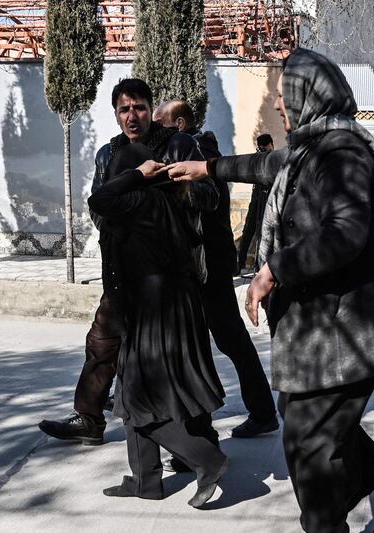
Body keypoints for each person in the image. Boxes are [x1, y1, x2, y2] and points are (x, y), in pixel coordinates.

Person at [164, 48, 374, 533]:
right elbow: (268, 166)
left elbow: (345, 232)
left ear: (310, 94)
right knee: (308, 418)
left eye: (287, 93)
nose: (281, 105)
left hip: (357, 325)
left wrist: (273, 269)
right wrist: (208, 168)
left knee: (310, 447)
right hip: (329, 326)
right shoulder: (314, 149)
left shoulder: (343, 153)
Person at [38, 79, 218, 446]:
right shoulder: (108, 154)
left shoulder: (180, 144)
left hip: (171, 272)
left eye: (138, 107)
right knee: (101, 342)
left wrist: (175, 187)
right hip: (123, 268)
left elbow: (210, 197)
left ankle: (199, 438)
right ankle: (89, 418)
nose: (131, 116)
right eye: (124, 109)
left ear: (151, 110)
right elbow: (99, 205)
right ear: (116, 114)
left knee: (179, 356)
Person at [89, 142, 228, 508]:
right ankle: (145, 479)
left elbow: (98, 201)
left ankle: (206, 460)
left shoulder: (139, 200)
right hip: (171, 305)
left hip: (155, 308)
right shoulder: (171, 199)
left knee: (134, 399)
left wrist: (136, 175)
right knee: (130, 390)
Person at [154, 100, 279, 439]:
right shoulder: (189, 149)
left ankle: (248, 416)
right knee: (211, 338)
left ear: (178, 124)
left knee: (225, 337)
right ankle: (253, 412)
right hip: (198, 261)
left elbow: (205, 201)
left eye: (159, 123)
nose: (154, 130)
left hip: (208, 262)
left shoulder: (200, 152)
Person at [236, 134, 274, 274]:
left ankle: (260, 267)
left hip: (267, 202)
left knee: (262, 234)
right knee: (247, 233)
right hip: (256, 201)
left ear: (271, 145)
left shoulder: (274, 159)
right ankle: (239, 264)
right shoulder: (258, 158)